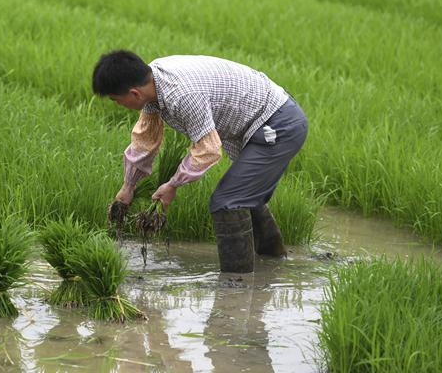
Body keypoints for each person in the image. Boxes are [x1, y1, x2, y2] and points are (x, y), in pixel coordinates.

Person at [92, 50, 308, 273]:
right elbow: (145, 140)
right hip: (263, 120)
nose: (118, 105)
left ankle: (235, 287)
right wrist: (128, 186)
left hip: (278, 124)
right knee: (242, 195)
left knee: (227, 201)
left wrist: (173, 185)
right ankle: (272, 261)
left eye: (117, 100)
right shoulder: (153, 80)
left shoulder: (182, 95)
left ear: (134, 93)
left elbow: (208, 149)